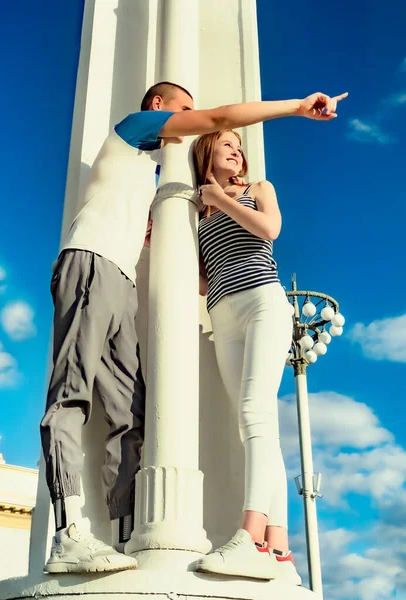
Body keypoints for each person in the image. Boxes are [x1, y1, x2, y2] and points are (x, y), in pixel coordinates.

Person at [40, 82, 347, 575]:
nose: (195, 118)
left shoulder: (154, 173)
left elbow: (249, 233)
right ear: (159, 108)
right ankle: (68, 533)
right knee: (72, 395)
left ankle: (124, 540)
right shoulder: (135, 129)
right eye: (186, 110)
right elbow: (218, 118)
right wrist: (295, 107)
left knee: (130, 412)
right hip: (93, 260)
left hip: (125, 278)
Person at [193, 129, 305, 585]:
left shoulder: (257, 190)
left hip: (263, 300)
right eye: (227, 145)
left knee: (254, 414)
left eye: (240, 146)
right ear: (207, 154)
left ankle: (248, 535)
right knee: (254, 427)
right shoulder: (200, 214)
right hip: (223, 312)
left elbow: (268, 229)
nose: (237, 151)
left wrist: (221, 197)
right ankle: (278, 549)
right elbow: (204, 279)